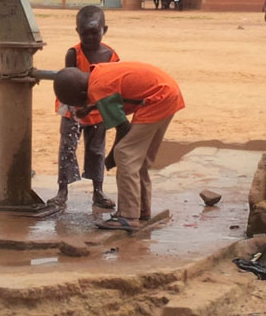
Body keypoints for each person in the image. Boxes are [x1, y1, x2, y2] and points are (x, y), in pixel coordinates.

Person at [53, 61, 185, 231]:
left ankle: (128, 216)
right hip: (167, 93)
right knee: (140, 158)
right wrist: (92, 106)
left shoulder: (98, 88)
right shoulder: (97, 74)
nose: (79, 105)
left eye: (77, 101)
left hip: (157, 99)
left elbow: (123, 128)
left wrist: (111, 158)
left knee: (125, 153)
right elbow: (118, 91)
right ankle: (142, 210)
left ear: (82, 92)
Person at [50, 5, 119, 210]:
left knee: (97, 151)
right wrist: (75, 109)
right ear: (77, 31)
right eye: (84, 33)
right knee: (67, 149)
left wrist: (109, 113)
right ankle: (62, 191)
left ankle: (98, 192)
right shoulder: (73, 54)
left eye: (94, 32)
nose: (89, 38)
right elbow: (67, 84)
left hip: (98, 110)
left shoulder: (111, 56)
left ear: (104, 30)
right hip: (74, 109)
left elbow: (113, 86)